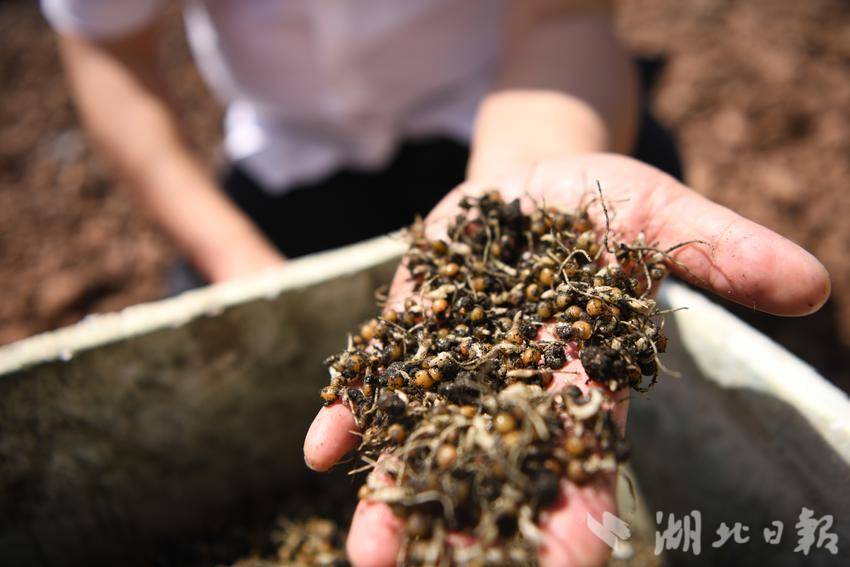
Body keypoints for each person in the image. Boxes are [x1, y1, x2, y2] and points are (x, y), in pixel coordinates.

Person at [42, 1, 830, 565]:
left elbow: (564, 18)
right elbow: (111, 56)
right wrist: (245, 270)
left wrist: (523, 173)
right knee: (218, 350)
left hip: (525, 120)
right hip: (284, 168)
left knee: (634, 309)